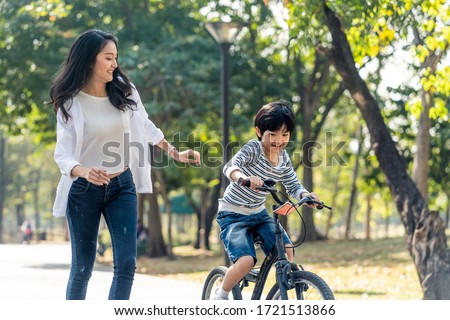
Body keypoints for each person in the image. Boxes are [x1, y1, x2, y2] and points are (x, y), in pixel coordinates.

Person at [49, 29, 200, 300]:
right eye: (108, 58)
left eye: (116, 57)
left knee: (127, 266)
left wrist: (174, 152)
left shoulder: (124, 92)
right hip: (84, 190)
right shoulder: (71, 103)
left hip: (122, 186)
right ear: (89, 61)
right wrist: (84, 171)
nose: (115, 64)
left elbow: (145, 125)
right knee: (82, 269)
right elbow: (63, 153)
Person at [213, 101, 321, 300]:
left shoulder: (284, 158)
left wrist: (306, 196)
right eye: (272, 134)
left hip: (258, 213)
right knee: (245, 262)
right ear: (259, 131)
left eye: (285, 134)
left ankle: (281, 294)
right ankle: (221, 294)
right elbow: (230, 166)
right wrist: (243, 178)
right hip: (232, 214)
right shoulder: (253, 149)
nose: (278, 140)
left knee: (288, 252)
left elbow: (293, 185)